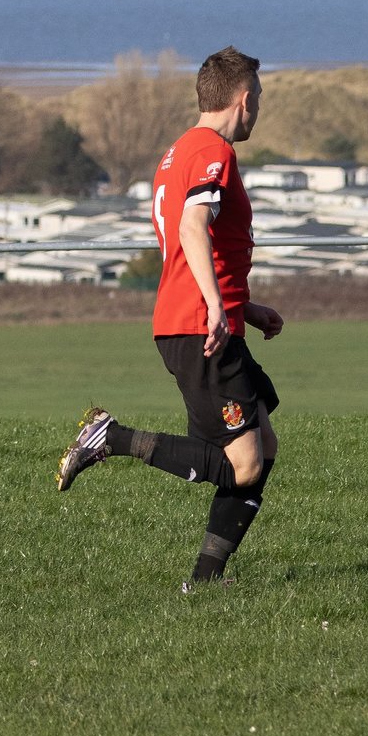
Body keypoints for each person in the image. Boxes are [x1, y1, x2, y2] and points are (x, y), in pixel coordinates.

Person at [56, 46, 286, 592]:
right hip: (197, 324)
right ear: (245, 99)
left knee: (264, 446)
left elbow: (193, 246)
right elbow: (190, 229)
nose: (259, 110)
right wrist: (214, 305)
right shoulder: (213, 152)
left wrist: (241, 307)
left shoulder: (178, 150)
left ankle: (207, 580)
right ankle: (110, 439)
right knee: (243, 465)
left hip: (200, 316)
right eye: (260, 100)